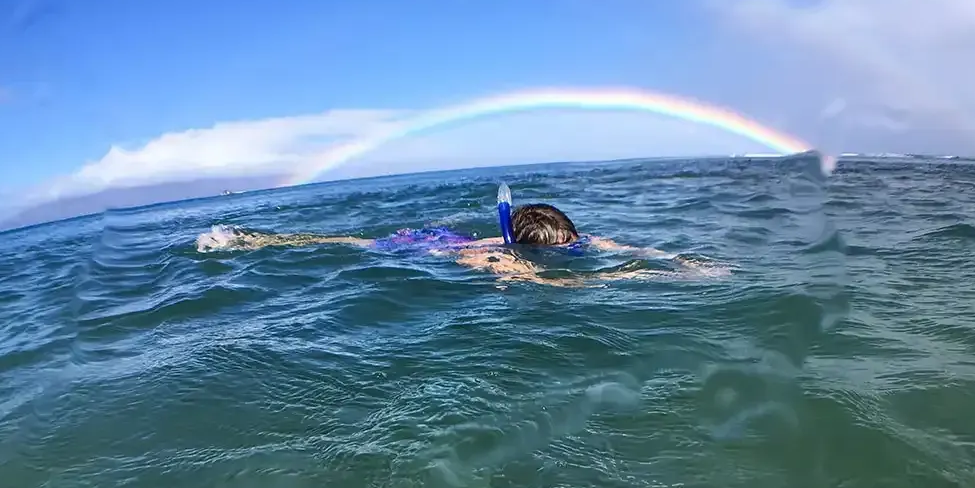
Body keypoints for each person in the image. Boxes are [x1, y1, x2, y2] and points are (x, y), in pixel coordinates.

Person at [195, 202, 728, 287]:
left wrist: (678, 261)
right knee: (361, 243)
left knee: (360, 238)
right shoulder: (497, 258)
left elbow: (621, 245)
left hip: (455, 237)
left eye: (574, 241)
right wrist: (638, 277)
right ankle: (257, 242)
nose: (575, 247)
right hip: (427, 249)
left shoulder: (578, 238)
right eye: (565, 246)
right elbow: (554, 285)